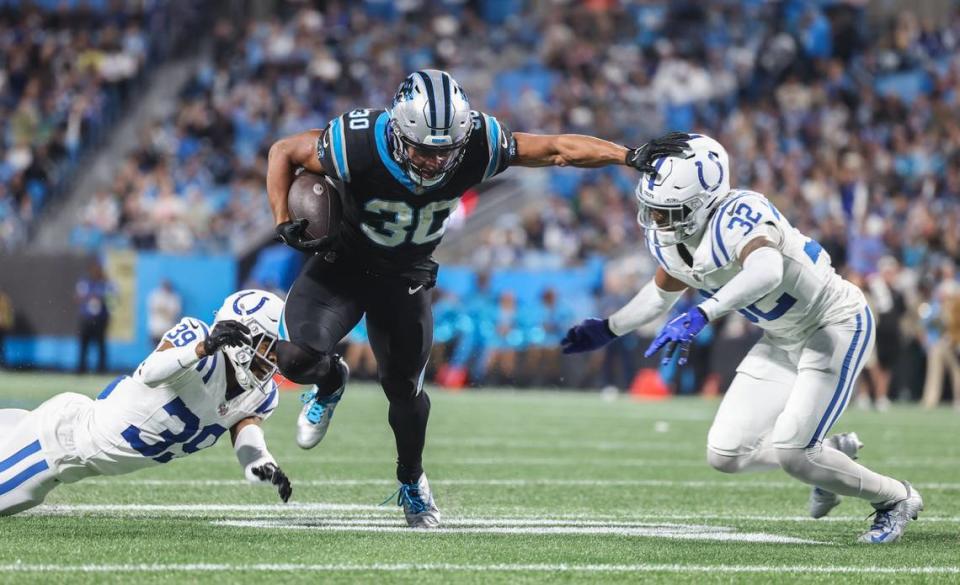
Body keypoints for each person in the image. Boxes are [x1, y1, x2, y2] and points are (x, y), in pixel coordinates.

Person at [266, 69, 689, 527]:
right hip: (342, 264)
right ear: (397, 130)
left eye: (445, 151)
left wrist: (629, 155)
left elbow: (555, 149)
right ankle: (330, 382)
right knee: (294, 358)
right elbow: (284, 151)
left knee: (404, 393)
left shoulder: (479, 142)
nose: (435, 162)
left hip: (405, 276)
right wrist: (281, 217)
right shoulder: (357, 141)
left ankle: (412, 480)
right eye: (425, 151)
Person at [561, 134, 922, 544]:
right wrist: (610, 328)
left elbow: (765, 270)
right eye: (654, 210)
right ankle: (829, 459)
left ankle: (896, 498)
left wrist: (703, 312)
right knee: (725, 454)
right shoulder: (677, 237)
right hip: (782, 337)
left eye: (669, 211)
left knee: (794, 452)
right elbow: (660, 295)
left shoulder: (740, 212)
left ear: (704, 199)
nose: (658, 220)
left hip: (833, 324)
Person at [0, 289, 291, 516]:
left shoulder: (260, 394)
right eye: (270, 345)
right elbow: (148, 372)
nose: (276, 358)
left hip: (70, 464)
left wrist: (259, 461)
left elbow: (246, 429)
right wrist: (202, 348)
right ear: (244, 335)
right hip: (59, 440)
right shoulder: (199, 344)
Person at [76, 262, 114, 374]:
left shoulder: (106, 284)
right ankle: (81, 368)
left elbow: (113, 298)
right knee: (84, 345)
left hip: (100, 319)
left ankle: (101, 369)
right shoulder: (85, 282)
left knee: (101, 345)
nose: (96, 272)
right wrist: (89, 297)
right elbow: (78, 297)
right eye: (94, 270)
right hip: (86, 319)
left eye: (98, 270)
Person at [147, 279, 183, 347]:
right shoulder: (155, 296)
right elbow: (154, 309)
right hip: (156, 330)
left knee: (168, 353)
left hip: (169, 331)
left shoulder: (174, 297)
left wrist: (163, 310)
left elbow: (174, 314)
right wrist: (165, 311)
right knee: (155, 352)